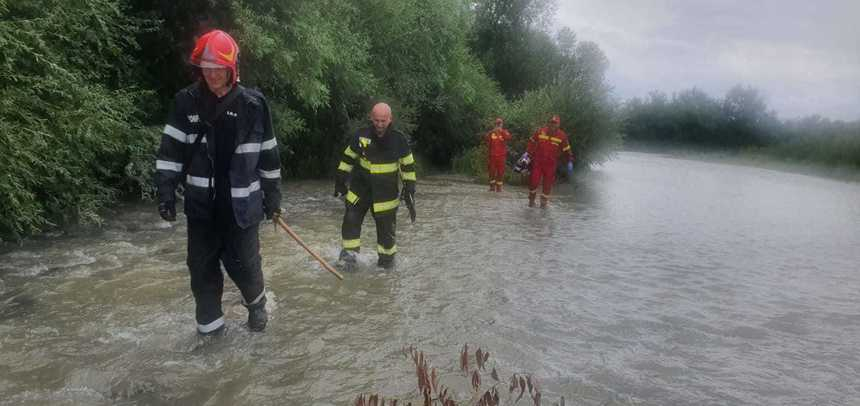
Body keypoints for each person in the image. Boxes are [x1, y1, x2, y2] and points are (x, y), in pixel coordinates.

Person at [154, 29, 282, 336]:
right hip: (201, 210)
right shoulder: (185, 102)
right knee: (201, 272)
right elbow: (170, 150)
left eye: (218, 69)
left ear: (232, 69)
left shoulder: (254, 104)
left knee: (246, 266)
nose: (211, 75)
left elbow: (268, 154)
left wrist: (273, 197)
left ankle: (256, 308)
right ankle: (211, 336)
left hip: (243, 209)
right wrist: (166, 192)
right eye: (206, 68)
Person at [334, 103, 416, 270]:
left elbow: (408, 167)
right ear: (371, 118)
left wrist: (410, 191)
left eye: (383, 121)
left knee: (386, 237)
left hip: (386, 197)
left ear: (390, 119)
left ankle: (386, 268)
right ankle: (348, 262)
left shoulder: (398, 140)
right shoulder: (361, 136)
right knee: (350, 223)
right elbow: (348, 158)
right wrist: (340, 181)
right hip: (359, 191)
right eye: (376, 120)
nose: (379, 124)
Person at [526, 115, 573, 208]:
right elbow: (532, 142)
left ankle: (543, 205)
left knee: (547, 185)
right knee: (533, 182)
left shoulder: (562, 136)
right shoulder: (540, 131)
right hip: (538, 162)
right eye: (551, 122)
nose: (552, 125)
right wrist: (527, 153)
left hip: (551, 165)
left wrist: (570, 161)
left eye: (555, 123)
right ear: (548, 123)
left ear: (558, 124)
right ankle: (531, 202)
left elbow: (567, 150)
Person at [483, 117, 512, 192]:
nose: (498, 125)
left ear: (502, 124)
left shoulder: (505, 131)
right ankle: (492, 187)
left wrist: (501, 131)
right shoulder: (491, 132)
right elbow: (486, 138)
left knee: (500, 172)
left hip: (501, 156)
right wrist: (492, 131)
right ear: (495, 125)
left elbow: (509, 137)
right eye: (497, 124)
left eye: (500, 124)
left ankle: (499, 188)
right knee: (491, 171)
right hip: (492, 156)